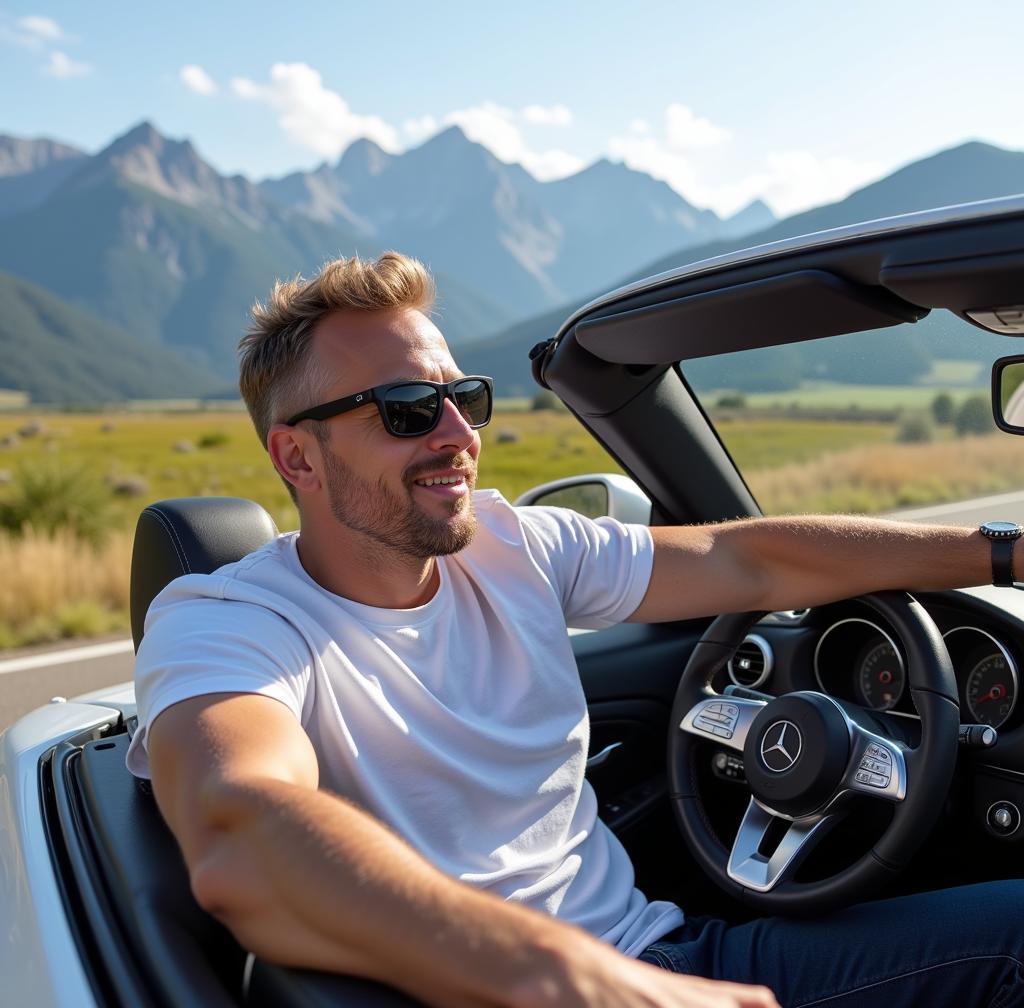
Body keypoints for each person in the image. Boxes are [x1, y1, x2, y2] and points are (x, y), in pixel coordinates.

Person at [127, 252, 1024, 1008]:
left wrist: (1005, 554)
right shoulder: (228, 623)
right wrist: (586, 981)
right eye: (406, 409)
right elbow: (243, 829)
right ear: (297, 456)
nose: (457, 435)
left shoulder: (511, 545)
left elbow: (747, 561)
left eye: (463, 398)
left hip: (664, 958)